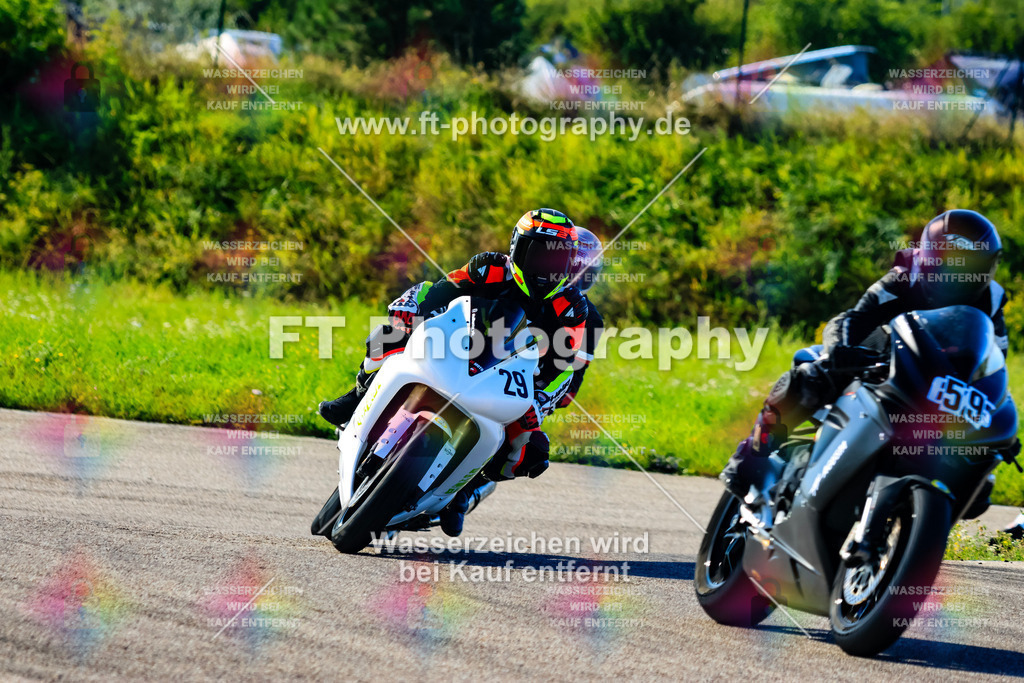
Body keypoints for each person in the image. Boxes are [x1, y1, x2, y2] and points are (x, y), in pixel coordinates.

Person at [720, 210, 1017, 521]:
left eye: (974, 266)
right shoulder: (906, 275)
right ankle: (750, 455)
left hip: (935, 384)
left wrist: (993, 416)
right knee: (813, 373)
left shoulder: (993, 300)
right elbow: (851, 318)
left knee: (981, 485)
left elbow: (993, 363)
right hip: (876, 359)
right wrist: (841, 351)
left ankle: (912, 519)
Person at [318, 208, 589, 535]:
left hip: (508, 380)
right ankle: (356, 396)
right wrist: (411, 308)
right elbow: (440, 291)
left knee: (532, 452)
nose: (547, 266)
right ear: (519, 247)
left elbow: (565, 367)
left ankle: (465, 490)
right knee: (385, 337)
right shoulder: (489, 266)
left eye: (557, 260)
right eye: (540, 254)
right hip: (457, 345)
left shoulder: (571, 306)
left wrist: (543, 399)